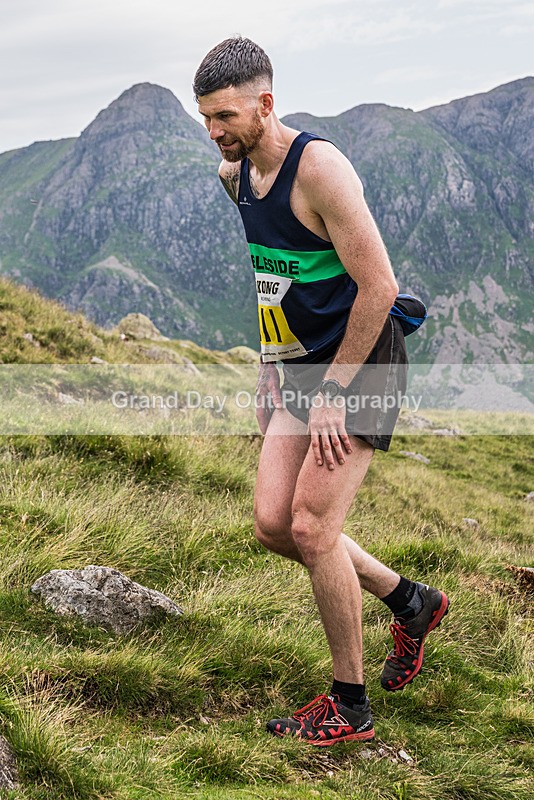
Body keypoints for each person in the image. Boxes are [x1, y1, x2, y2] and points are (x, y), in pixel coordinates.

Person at [193, 36, 449, 746]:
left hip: (361, 362)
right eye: (206, 119)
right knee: (276, 524)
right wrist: (270, 369)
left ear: (265, 104)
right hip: (300, 366)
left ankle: (351, 705)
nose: (216, 132)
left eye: (225, 116)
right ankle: (411, 601)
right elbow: (272, 274)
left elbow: (381, 288)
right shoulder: (233, 176)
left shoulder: (321, 170)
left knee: (313, 528)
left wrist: (334, 393)